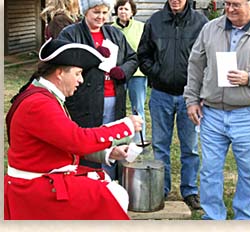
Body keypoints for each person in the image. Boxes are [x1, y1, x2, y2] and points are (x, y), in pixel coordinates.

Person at [4, 38, 143, 220]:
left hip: (43, 179)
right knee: (115, 195)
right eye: (77, 73)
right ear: (60, 73)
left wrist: (108, 154)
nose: (81, 80)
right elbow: (78, 140)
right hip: (33, 188)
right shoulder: (39, 103)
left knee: (111, 188)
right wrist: (125, 126)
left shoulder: (44, 97)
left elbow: (65, 142)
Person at [183, 0, 250, 219]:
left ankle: (244, 218)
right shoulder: (211, 28)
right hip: (212, 114)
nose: (229, 9)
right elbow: (195, 65)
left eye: (235, 4)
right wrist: (191, 99)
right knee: (210, 171)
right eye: (226, 3)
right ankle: (213, 218)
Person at [137, 0, 208, 209]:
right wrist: (157, 72)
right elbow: (143, 54)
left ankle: (190, 191)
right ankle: (162, 188)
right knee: (160, 146)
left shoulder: (201, 22)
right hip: (161, 95)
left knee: (191, 147)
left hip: (190, 97)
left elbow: (208, 57)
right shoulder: (154, 21)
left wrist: (199, 87)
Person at [57, 0, 138, 179]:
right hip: (83, 102)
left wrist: (122, 71)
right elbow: (62, 63)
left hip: (113, 99)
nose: (101, 17)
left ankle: (107, 183)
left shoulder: (114, 34)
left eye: (104, 12)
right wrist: (92, 61)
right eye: (96, 12)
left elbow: (132, 58)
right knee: (87, 142)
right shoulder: (71, 34)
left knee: (110, 142)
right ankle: (84, 183)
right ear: (86, 12)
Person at [112, 0, 147, 144]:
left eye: (126, 9)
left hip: (137, 75)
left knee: (137, 107)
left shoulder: (141, 27)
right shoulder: (110, 29)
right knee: (116, 107)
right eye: (120, 9)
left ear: (132, 12)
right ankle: (118, 139)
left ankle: (140, 140)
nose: (123, 12)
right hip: (117, 75)